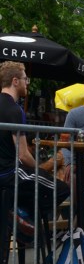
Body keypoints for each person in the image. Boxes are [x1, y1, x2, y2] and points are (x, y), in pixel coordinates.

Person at [0, 61, 69, 215]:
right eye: (25, 79)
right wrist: (39, 168)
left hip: (5, 173)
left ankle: (23, 219)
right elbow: (23, 154)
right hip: (9, 173)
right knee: (62, 189)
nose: (27, 83)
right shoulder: (15, 110)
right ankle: (26, 223)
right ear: (15, 81)